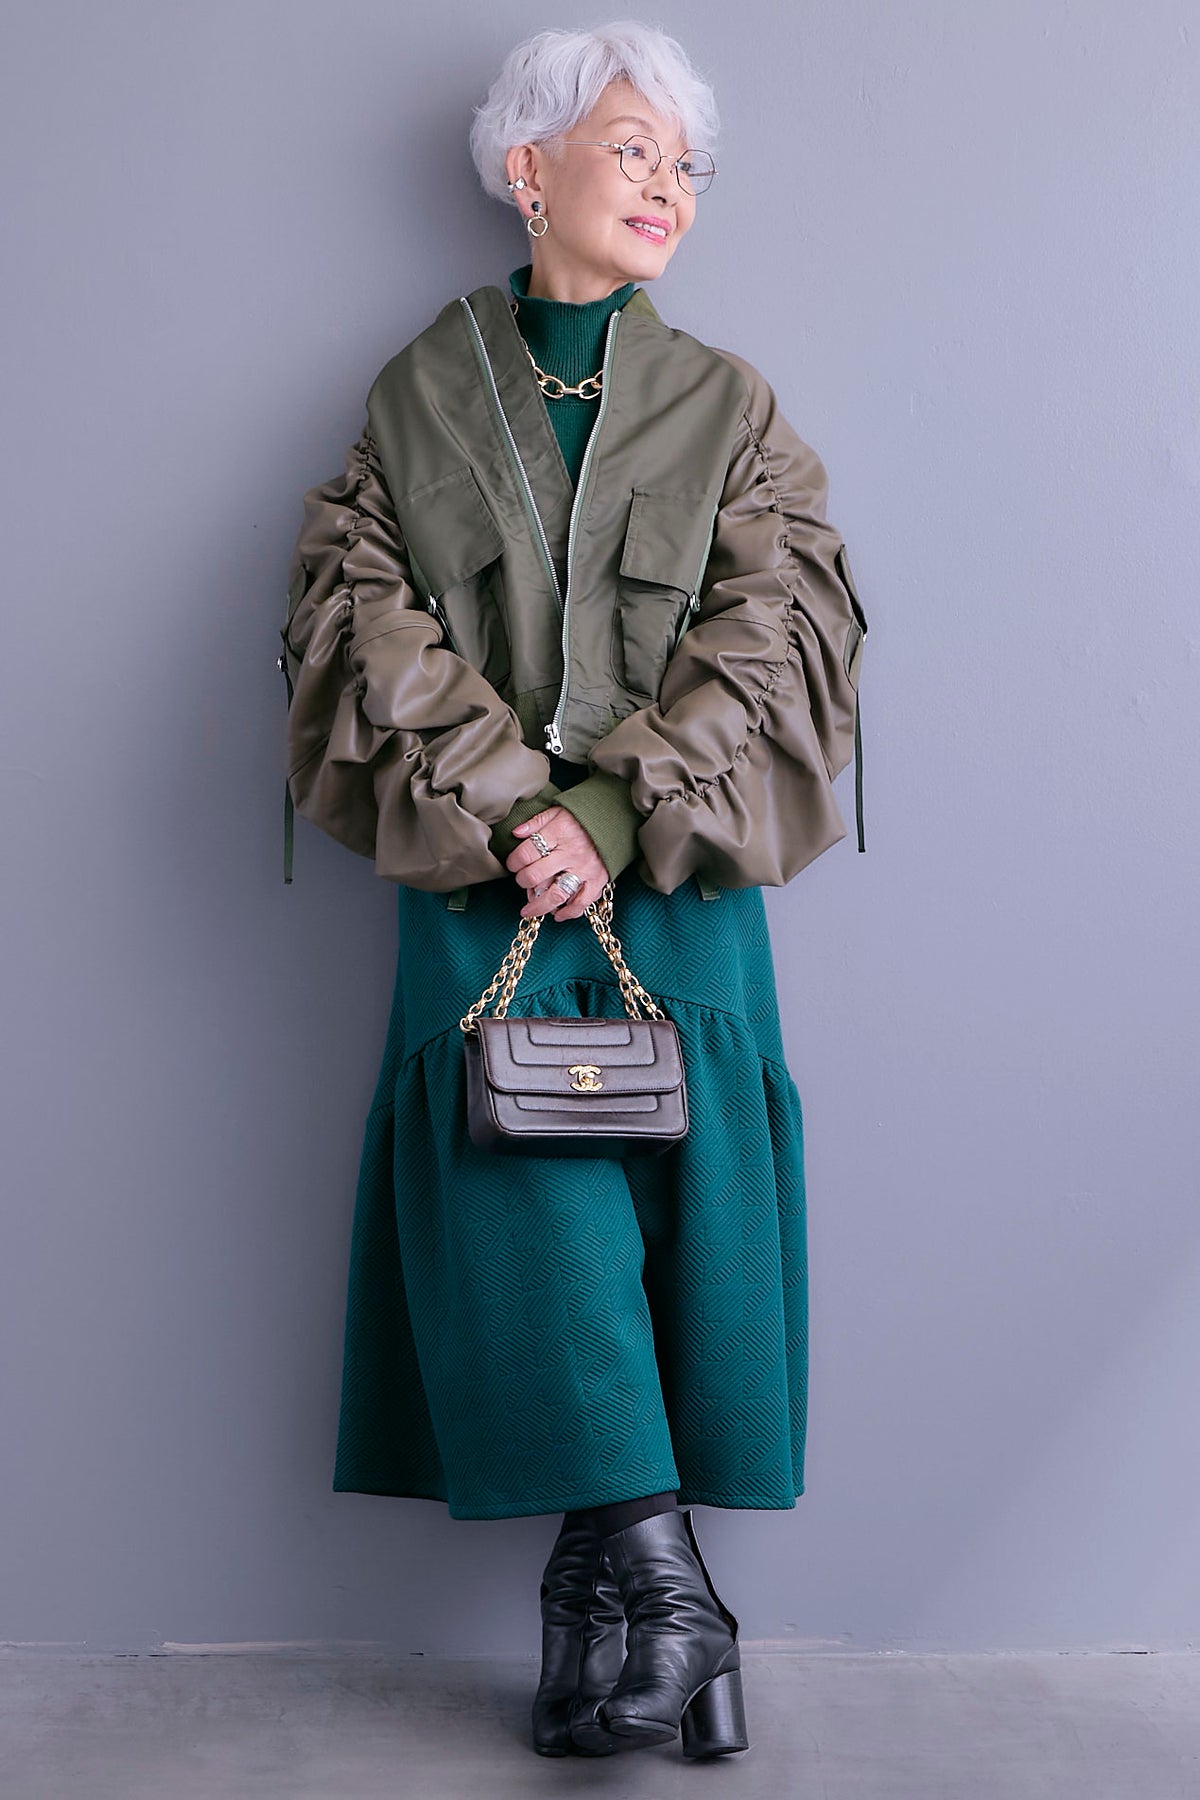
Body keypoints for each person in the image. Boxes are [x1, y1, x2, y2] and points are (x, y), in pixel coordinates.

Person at [280, 20, 867, 1763]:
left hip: (672, 873)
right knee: (531, 1205)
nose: (669, 186)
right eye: (634, 150)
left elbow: (779, 624)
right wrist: (514, 807)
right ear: (529, 169)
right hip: (481, 879)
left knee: (661, 1222)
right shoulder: (417, 395)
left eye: (687, 163)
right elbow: (357, 613)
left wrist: (612, 807)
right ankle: (671, 1613)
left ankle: (601, 1614)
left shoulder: (730, 405)